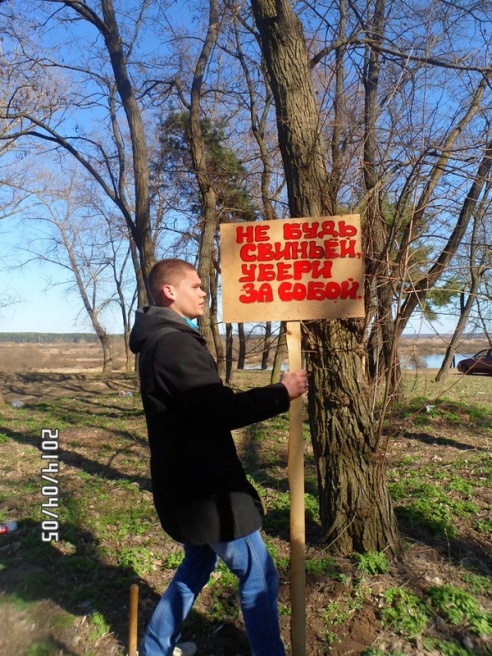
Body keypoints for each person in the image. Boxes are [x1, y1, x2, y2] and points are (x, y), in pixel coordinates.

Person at [129, 258, 308, 656]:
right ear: (169, 292)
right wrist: (281, 392)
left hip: (187, 486)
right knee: (259, 575)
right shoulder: (173, 342)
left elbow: (197, 411)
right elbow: (218, 409)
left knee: (197, 565)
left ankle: (155, 649)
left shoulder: (162, 339)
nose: (204, 293)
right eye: (196, 286)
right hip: (207, 492)